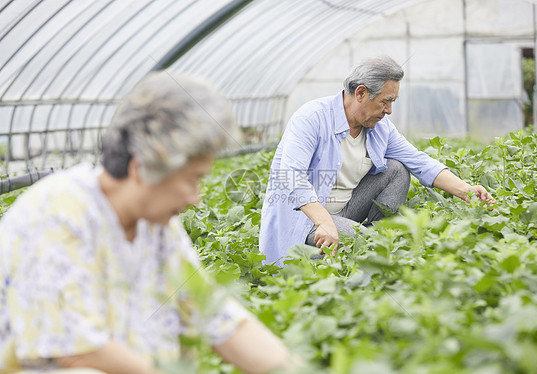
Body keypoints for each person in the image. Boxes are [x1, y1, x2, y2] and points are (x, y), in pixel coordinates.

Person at [0, 72, 296, 374]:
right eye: (193, 179)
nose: (197, 197)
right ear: (143, 167)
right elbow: (76, 352)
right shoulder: (57, 214)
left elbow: (214, 314)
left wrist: (294, 370)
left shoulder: (156, 227)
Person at [259, 56, 494, 265]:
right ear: (361, 93)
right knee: (363, 242)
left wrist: (466, 190)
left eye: (393, 102)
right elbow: (292, 178)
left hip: (344, 211)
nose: (389, 110)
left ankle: (369, 235)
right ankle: (358, 242)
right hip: (305, 218)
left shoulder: (380, 127)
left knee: (396, 169)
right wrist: (324, 222)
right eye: (385, 101)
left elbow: (418, 161)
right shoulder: (311, 118)